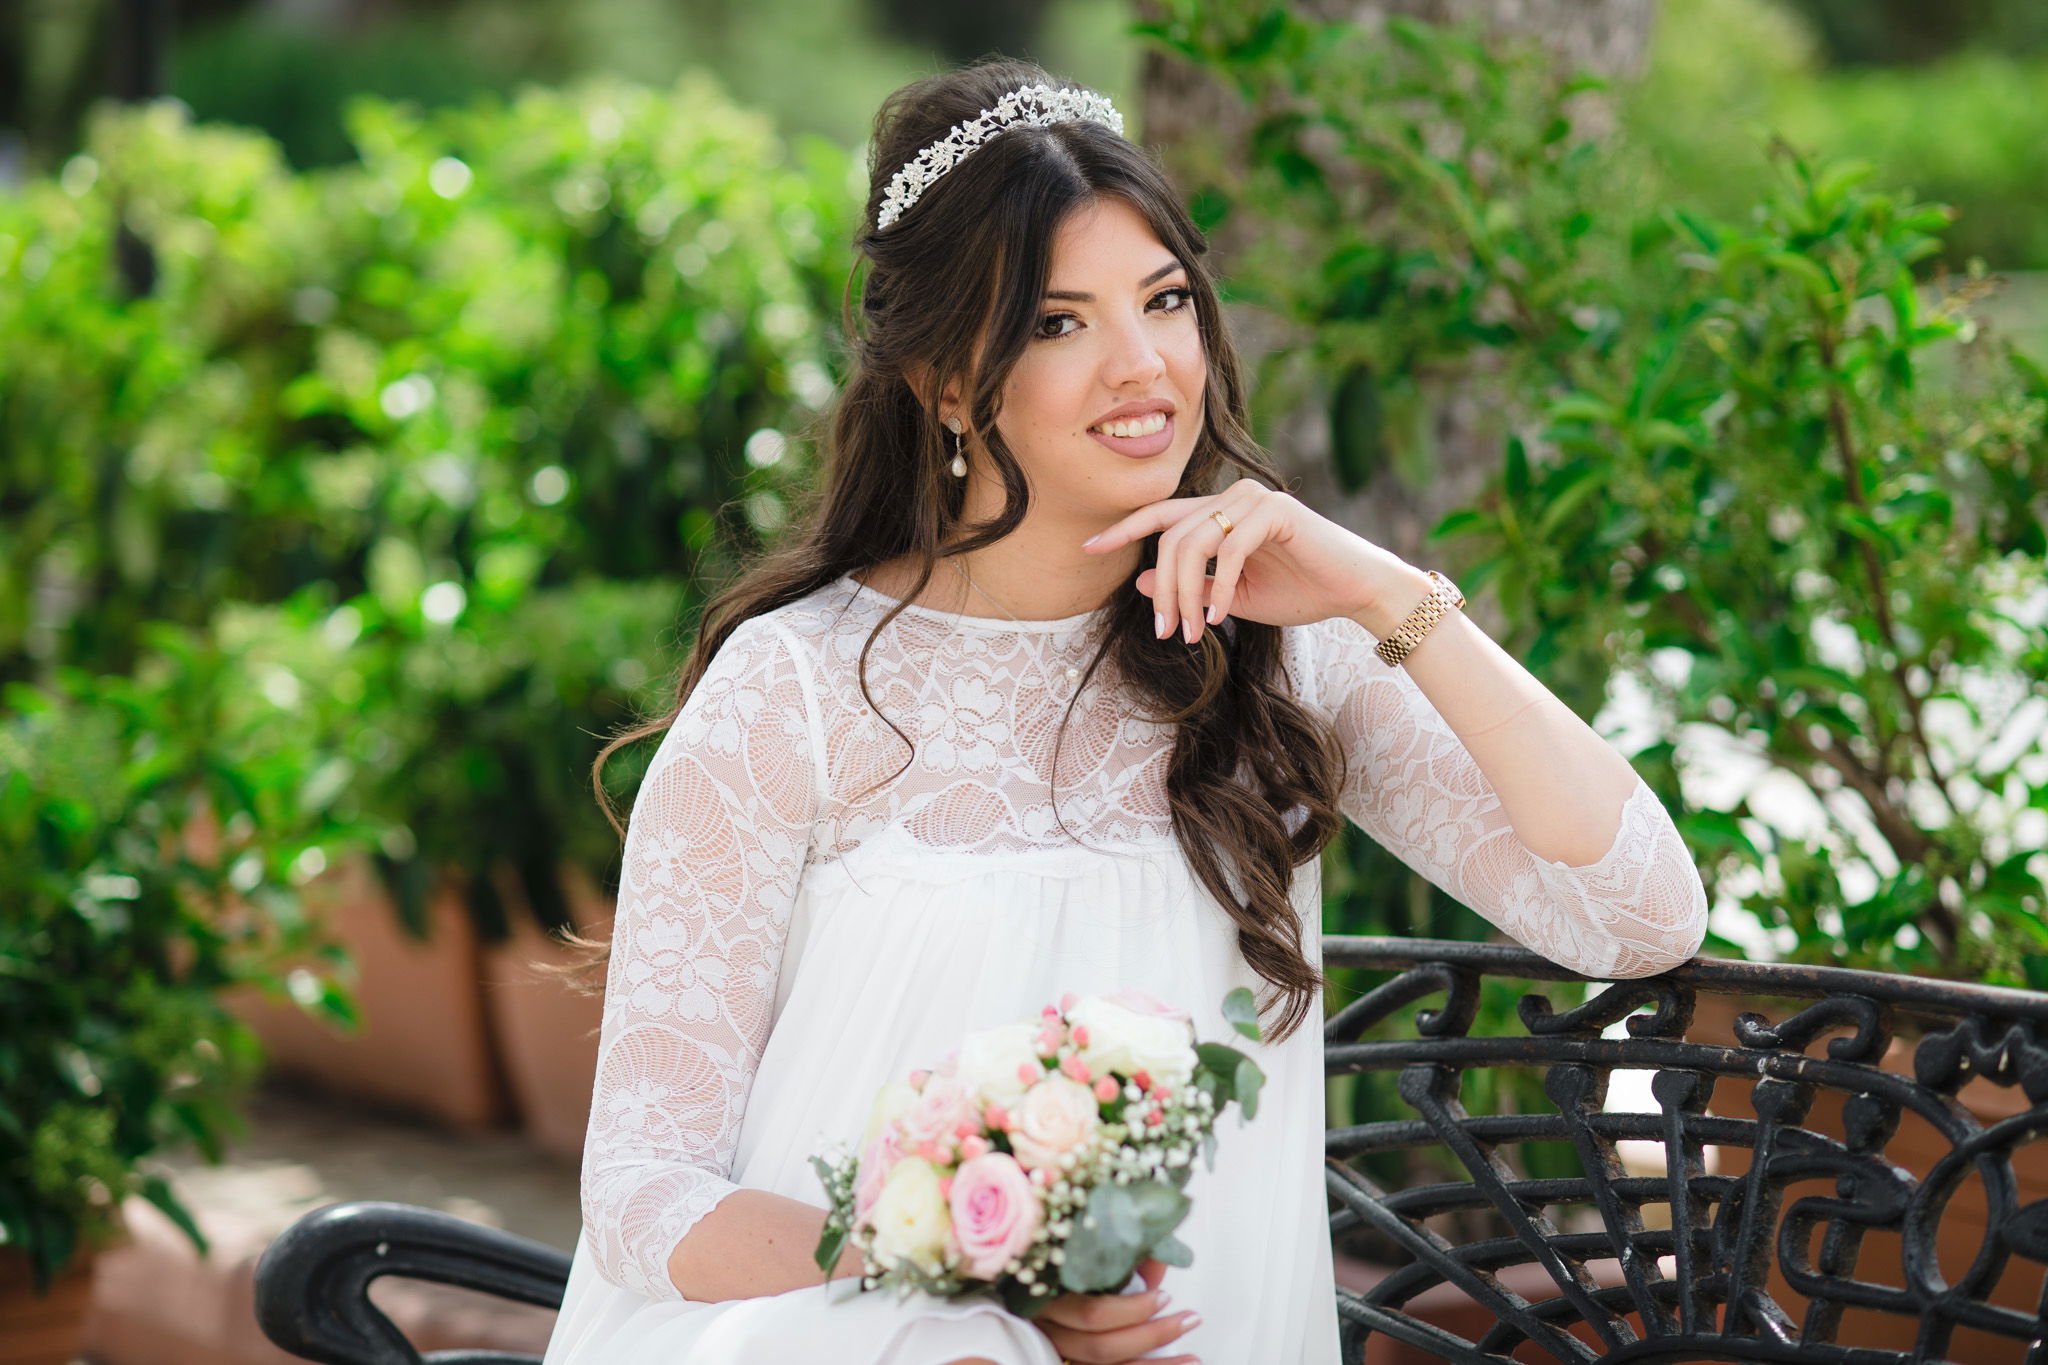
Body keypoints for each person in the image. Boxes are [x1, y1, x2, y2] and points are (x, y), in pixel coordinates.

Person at [538, 58, 1709, 1365]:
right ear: (939, 381)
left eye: (1164, 301)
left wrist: (1381, 591)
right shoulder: (796, 692)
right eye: (1058, 322)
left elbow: (1640, 914)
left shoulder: (1278, 657)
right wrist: (983, 1281)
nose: (1142, 365)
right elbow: (644, 1191)